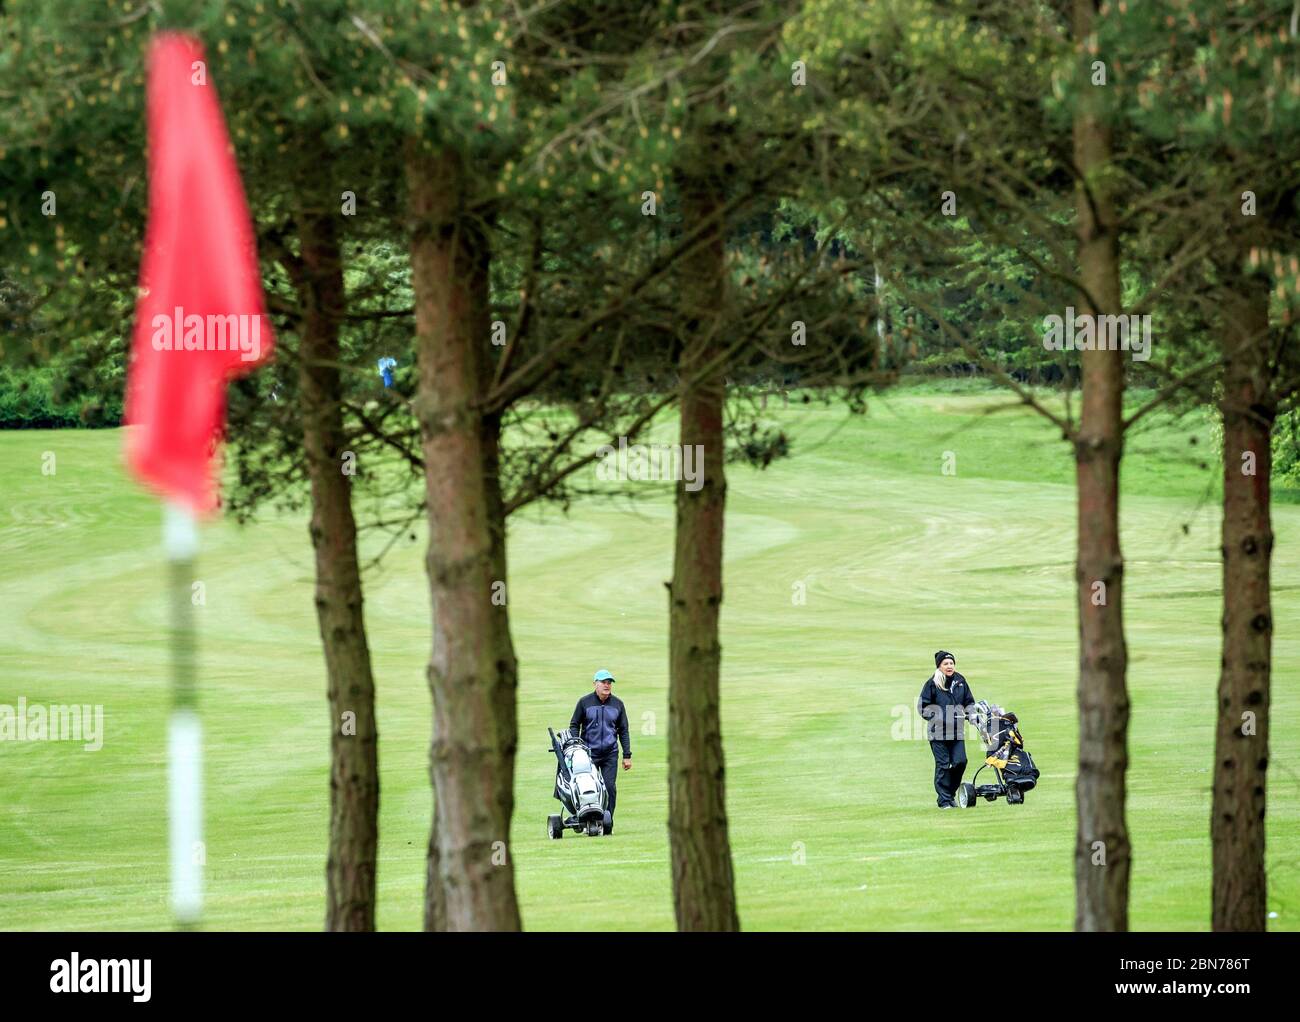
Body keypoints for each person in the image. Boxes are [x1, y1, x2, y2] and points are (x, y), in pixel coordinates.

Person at [569, 669, 632, 832]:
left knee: (609, 787)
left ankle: (607, 820)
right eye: (603, 682)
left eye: (609, 682)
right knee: (588, 787)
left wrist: (627, 755)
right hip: (588, 754)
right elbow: (574, 724)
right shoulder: (584, 702)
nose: (607, 685)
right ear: (595, 684)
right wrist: (577, 746)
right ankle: (585, 819)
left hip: (610, 753)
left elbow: (623, 730)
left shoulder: (618, 704)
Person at [916, 650, 975, 809]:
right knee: (943, 765)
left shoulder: (960, 681)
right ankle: (944, 801)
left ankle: (948, 794)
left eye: (951, 663)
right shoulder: (932, 683)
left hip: (957, 732)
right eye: (946, 664)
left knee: (960, 762)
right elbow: (922, 707)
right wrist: (939, 715)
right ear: (939, 666)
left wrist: (972, 715)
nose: (949, 666)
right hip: (938, 733)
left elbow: (969, 702)